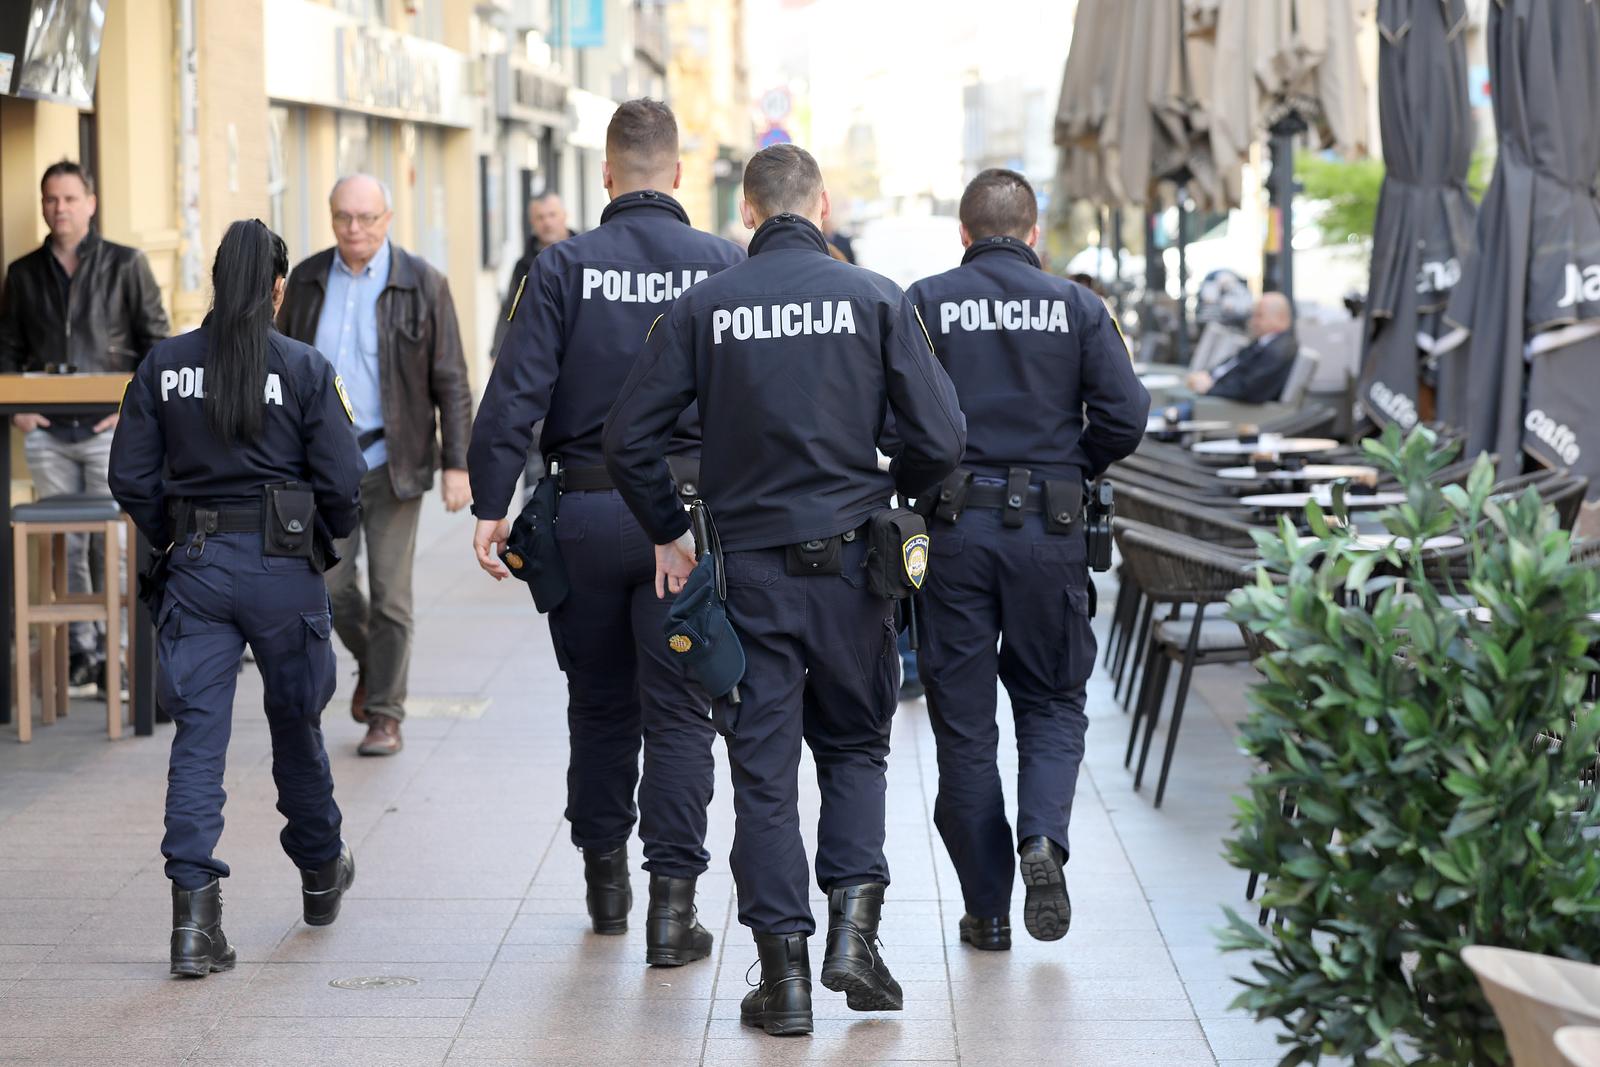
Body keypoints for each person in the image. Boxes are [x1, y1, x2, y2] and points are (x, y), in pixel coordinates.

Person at [603, 143, 966, 1036]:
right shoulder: (876, 296)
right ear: (825, 206)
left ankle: (786, 975)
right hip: (854, 569)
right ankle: (855, 930)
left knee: (762, 771)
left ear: (748, 215)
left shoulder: (704, 305)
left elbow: (625, 438)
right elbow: (944, 435)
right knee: (855, 750)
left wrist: (668, 527)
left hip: (749, 572)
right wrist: (899, 495)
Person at [468, 100, 744, 964]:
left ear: (606, 175)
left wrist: (488, 502)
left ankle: (606, 886)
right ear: (679, 172)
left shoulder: (562, 266)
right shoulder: (724, 265)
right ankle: (673, 909)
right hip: (687, 521)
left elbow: (515, 390)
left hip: (583, 514)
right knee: (680, 714)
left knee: (596, 706)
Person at [106, 219, 365, 977]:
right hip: (284, 570)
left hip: (196, 564)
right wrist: (325, 543)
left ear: (219, 282)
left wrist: (174, 537)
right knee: (297, 726)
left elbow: (131, 477)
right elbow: (344, 483)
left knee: (198, 739)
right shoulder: (306, 367)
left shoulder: (164, 365)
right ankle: (320, 872)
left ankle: (194, 922)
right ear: (278, 288)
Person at [907, 169, 1149, 952]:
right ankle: (1042, 837)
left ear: (965, 233)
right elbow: (1126, 413)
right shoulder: (1080, 306)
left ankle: (986, 909)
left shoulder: (928, 300)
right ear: (1035, 232)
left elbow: (894, 416)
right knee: (1051, 700)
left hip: (956, 533)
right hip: (1051, 530)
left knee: (966, 725)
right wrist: (1069, 468)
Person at [277, 174, 473, 757]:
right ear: (331, 217)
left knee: (391, 596)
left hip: (395, 459)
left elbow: (452, 379)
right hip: (321, 464)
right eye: (343, 217)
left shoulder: (423, 282)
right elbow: (277, 367)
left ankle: (385, 713)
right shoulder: (306, 281)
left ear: (388, 218)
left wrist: (458, 463)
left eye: (366, 218)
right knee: (329, 587)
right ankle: (373, 662)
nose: (354, 229)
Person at [0, 160, 170, 692]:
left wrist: (129, 411)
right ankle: (83, 652)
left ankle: (117, 657)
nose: (59, 208)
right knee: (67, 545)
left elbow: (158, 347)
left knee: (114, 548)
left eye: (70, 198)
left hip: (108, 432)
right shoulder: (24, 273)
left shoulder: (127, 264)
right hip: (48, 433)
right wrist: (19, 409)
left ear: (91, 203)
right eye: (51, 199)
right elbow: (7, 350)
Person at [493, 192, 580, 495]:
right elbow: (509, 314)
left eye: (552, 215)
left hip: (580, 371)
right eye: (540, 218)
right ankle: (535, 516)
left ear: (564, 215)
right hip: (539, 371)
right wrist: (499, 357)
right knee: (535, 448)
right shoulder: (525, 265)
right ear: (532, 223)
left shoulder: (586, 253)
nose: (547, 223)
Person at [1185, 291, 1298, 403]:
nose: (1252, 321)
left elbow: (1251, 390)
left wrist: (1210, 388)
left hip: (1219, 403)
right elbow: (1236, 365)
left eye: (1259, 316)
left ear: (1280, 318)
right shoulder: (1265, 342)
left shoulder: (1278, 350)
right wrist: (1207, 376)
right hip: (1213, 394)